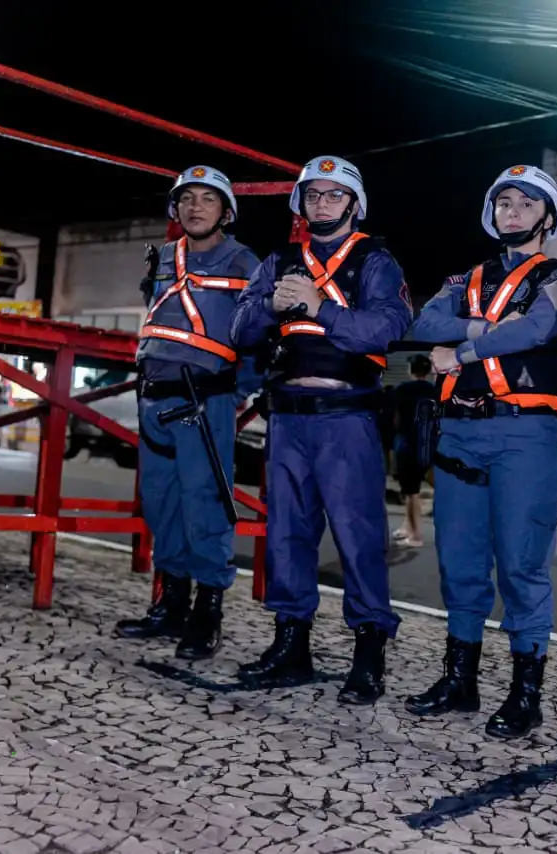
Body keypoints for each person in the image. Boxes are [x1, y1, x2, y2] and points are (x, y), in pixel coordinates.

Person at [405, 165, 557, 740]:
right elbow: (424, 322)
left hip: (525, 435)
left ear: (548, 217)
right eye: (504, 202)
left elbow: (542, 326)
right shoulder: (467, 278)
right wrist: (485, 327)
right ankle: (460, 682)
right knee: (459, 563)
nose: (513, 211)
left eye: (527, 203)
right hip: (460, 432)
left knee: (522, 567)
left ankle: (525, 696)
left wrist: (460, 351)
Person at [230, 155, 411, 705]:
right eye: (313, 194)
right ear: (300, 204)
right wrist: (269, 305)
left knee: (359, 538)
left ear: (355, 204)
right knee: (286, 535)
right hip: (287, 417)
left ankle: (369, 653)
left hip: (346, 416)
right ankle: (291, 645)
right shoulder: (279, 260)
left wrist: (319, 307)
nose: (322, 203)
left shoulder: (375, 260)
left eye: (335, 195)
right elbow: (239, 329)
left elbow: (389, 327)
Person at [114, 165, 261, 661]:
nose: (196, 207)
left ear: (226, 211)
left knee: (205, 506)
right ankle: (171, 606)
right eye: (187, 198)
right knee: (161, 504)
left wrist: (238, 391)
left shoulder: (244, 261)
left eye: (208, 199)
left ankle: (206, 614)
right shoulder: (163, 257)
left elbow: (259, 333)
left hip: (204, 400)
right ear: (175, 208)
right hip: (154, 398)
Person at [390, 354, 437, 547]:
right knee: (414, 488)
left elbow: (395, 417)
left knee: (410, 491)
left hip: (408, 443)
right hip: (429, 443)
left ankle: (415, 535)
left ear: (410, 370)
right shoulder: (435, 390)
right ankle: (407, 526)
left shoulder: (402, 389)